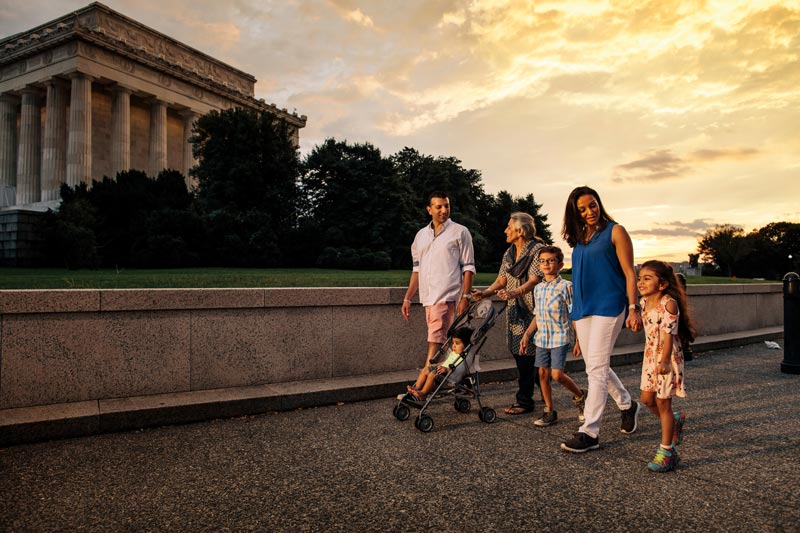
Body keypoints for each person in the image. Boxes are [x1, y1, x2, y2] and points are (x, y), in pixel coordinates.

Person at [559, 186, 643, 453]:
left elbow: (630, 272)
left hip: (610, 304)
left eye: (592, 205)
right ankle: (628, 403)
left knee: (594, 369)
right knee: (596, 364)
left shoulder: (615, 231)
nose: (589, 212)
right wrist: (574, 316)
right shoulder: (579, 238)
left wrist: (633, 307)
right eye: (582, 209)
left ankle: (590, 432)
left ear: (599, 204)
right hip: (584, 307)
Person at [472, 212, 544, 415]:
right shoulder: (510, 252)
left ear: (520, 231)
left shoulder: (537, 251)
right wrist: (485, 292)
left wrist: (515, 292)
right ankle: (544, 389)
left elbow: (534, 279)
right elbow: (502, 279)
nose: (505, 230)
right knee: (520, 353)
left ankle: (525, 400)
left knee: (526, 355)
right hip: (515, 310)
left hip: (533, 310)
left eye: (509, 227)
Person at [402, 192, 476, 365]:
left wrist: (465, 297)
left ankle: (423, 386)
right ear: (429, 210)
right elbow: (417, 270)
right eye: (439, 206)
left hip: (447, 296)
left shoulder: (460, 232)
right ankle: (445, 380)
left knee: (435, 341)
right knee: (443, 341)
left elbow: (469, 267)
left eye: (447, 206)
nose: (444, 210)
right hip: (428, 298)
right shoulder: (420, 236)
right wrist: (407, 298)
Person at [637, 260, 696, 472]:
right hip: (650, 356)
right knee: (646, 399)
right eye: (640, 278)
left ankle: (667, 452)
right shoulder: (644, 302)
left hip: (667, 357)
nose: (641, 282)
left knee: (664, 404)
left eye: (647, 278)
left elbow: (668, 336)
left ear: (662, 284)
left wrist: (663, 361)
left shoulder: (668, 303)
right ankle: (675, 421)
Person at [519, 245, 587, 427]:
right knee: (542, 373)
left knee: (557, 375)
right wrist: (526, 335)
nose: (546, 264)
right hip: (542, 338)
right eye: (542, 261)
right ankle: (549, 410)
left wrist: (578, 340)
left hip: (559, 336)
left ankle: (580, 396)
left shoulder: (567, 287)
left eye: (550, 260)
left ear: (560, 265)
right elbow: (537, 315)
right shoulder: (538, 288)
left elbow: (574, 314)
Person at [405, 327, 473, 401]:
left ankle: (423, 394)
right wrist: (437, 365)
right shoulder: (454, 353)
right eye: (453, 343)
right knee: (426, 369)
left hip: (450, 376)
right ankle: (417, 388)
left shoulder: (464, 357)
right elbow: (446, 362)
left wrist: (447, 369)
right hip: (442, 371)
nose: (453, 346)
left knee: (432, 374)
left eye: (457, 343)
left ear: (466, 345)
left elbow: (460, 369)